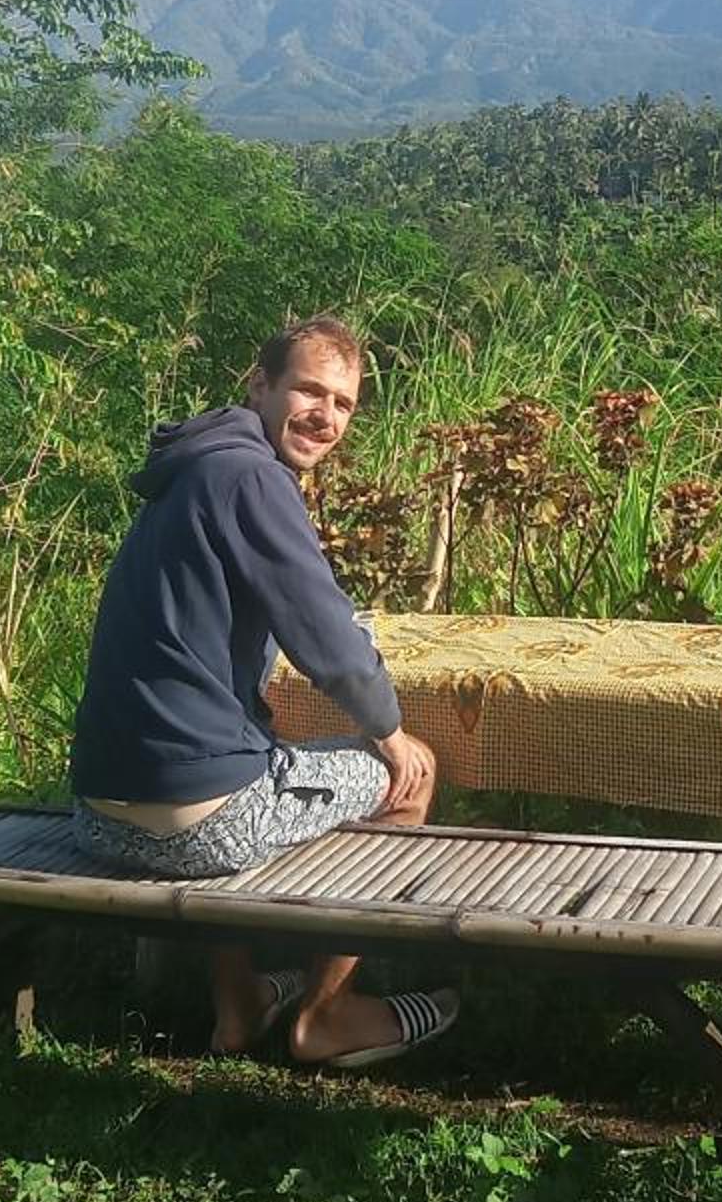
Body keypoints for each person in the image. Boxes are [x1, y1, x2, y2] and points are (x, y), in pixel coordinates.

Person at [69, 315, 458, 1069]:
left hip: (95, 813)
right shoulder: (252, 477)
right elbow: (327, 639)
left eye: (343, 404)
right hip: (190, 828)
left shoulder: (194, 470)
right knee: (410, 773)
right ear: (260, 386)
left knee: (251, 752)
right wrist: (389, 731)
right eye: (309, 391)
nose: (325, 416)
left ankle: (240, 1002)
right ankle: (327, 1013)